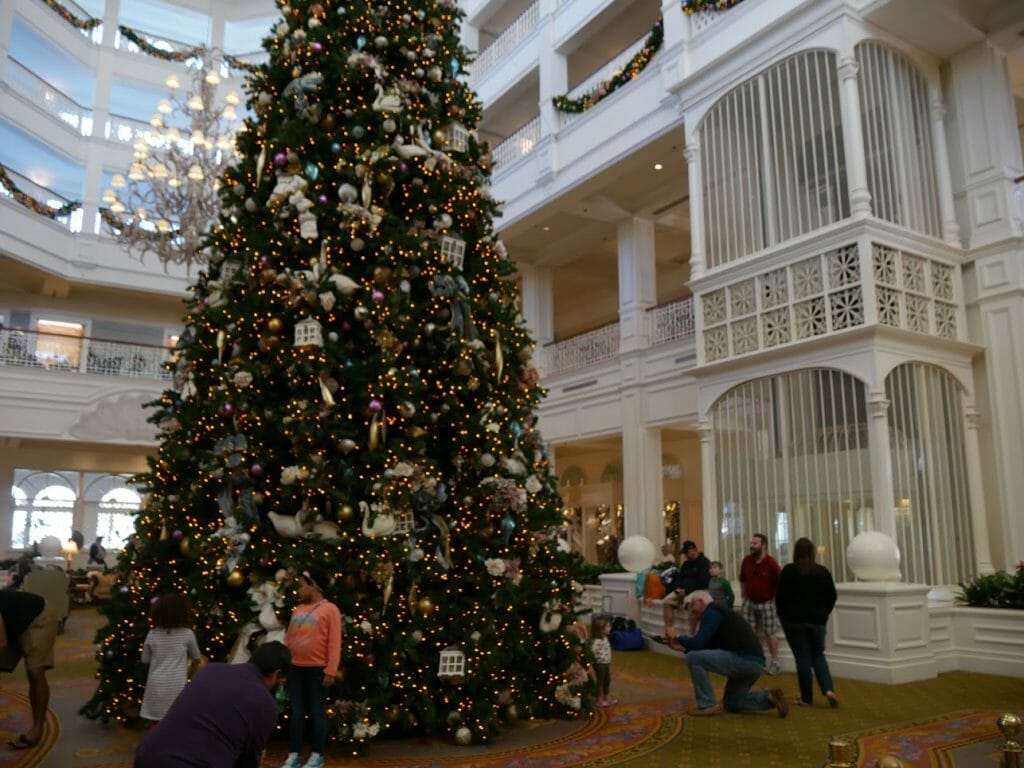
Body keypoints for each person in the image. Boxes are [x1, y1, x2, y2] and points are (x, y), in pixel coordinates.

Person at [132, 640, 291, 768]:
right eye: (281, 680)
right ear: (276, 674)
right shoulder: (266, 704)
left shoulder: (211, 669)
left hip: (148, 755)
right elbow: (249, 761)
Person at [673, 590, 788, 718]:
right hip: (756, 664)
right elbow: (706, 646)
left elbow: (697, 645)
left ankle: (707, 704)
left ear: (701, 602)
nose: (691, 610)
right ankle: (769, 698)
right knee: (731, 703)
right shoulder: (721, 612)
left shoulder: (711, 612)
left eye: (692, 605)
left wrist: (678, 638)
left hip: (743, 659)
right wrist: (683, 647)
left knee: (694, 658)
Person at [282, 567, 342, 768]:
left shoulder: (330, 609)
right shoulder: (298, 610)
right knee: (297, 713)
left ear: (314, 585)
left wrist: (330, 670)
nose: (298, 590)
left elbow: (334, 642)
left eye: (301, 585)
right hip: (295, 669)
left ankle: (317, 755)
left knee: (317, 712)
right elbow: (289, 639)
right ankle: (294, 754)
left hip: (317, 670)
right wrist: (283, 667)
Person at [775, 537, 839, 708]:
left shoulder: (789, 571)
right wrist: (823, 614)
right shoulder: (822, 572)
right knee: (818, 655)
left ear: (795, 552)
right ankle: (828, 690)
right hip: (817, 621)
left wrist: (783, 617)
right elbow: (832, 596)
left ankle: (807, 698)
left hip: (794, 622)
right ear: (813, 552)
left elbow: (780, 597)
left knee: (802, 658)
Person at [0, 589, 58, 749]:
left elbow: (1, 643)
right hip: (13, 623)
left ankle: (37, 728)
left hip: (39, 618)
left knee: (35, 672)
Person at [140, 592, 201, 722]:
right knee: (176, 720)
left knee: (156, 723)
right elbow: (197, 658)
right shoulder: (187, 634)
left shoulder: (152, 634)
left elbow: (144, 659)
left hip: (156, 685)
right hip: (177, 685)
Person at [739, 533, 782, 674]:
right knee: (747, 632)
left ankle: (775, 662)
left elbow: (780, 583)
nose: (751, 546)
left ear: (763, 545)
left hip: (766, 603)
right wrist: (743, 594)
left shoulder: (771, 563)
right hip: (749, 602)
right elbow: (742, 579)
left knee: (770, 633)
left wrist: (774, 601)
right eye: (751, 543)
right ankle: (753, 660)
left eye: (755, 543)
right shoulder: (746, 561)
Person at [661, 540, 711, 641]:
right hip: (683, 591)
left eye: (686, 553)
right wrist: (678, 588)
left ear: (693, 550)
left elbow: (703, 582)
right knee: (667, 601)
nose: (685, 556)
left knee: (689, 602)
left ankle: (692, 635)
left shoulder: (704, 562)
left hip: (698, 590)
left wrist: (686, 591)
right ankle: (670, 632)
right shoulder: (686, 564)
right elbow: (680, 578)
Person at [590, 616, 616, 707]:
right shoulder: (597, 641)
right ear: (600, 629)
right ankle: (599, 698)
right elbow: (592, 652)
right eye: (608, 626)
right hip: (599, 664)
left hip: (606, 663)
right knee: (600, 681)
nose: (610, 628)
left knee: (607, 680)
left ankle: (606, 695)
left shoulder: (605, 638)